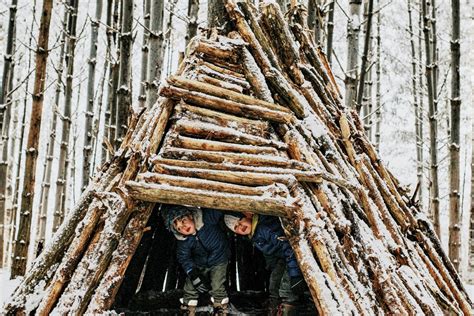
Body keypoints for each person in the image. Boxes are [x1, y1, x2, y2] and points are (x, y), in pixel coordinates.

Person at [224, 213, 306, 315]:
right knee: (274, 285)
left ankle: (287, 312)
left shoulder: (264, 228)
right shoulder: (254, 234)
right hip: (285, 258)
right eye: (236, 227)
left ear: (248, 216)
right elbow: (271, 253)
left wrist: (295, 274)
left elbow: (290, 246)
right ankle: (275, 310)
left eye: (240, 221)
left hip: (297, 256)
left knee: (286, 290)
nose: (241, 226)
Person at [164, 205, 230, 315]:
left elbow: (220, 205)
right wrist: (193, 273)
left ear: (191, 216)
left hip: (219, 259)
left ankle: (220, 307)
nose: (184, 227)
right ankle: (188, 309)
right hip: (200, 263)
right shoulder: (184, 241)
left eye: (183, 221)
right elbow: (183, 257)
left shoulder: (207, 219)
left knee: (217, 284)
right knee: (190, 285)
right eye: (179, 228)